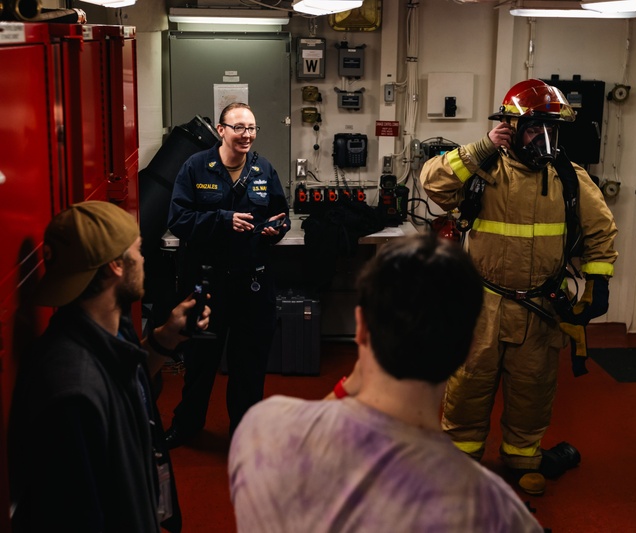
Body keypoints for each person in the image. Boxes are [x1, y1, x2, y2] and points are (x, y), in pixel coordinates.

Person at [228, 234, 543, 533]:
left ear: (361, 327)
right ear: (471, 347)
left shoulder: (260, 431)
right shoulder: (497, 512)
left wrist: (347, 386)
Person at [419, 78, 618, 496]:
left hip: (541, 309)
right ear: (510, 128)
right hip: (483, 307)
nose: (544, 140)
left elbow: (601, 229)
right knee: (469, 386)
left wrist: (597, 282)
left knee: (533, 388)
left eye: (552, 130)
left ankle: (522, 457)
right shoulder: (483, 171)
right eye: (533, 129)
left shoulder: (568, 177)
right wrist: (481, 148)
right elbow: (432, 184)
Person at [7, 200, 210, 532]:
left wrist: (166, 338)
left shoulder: (107, 328)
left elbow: (125, 386)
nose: (144, 260)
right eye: (139, 251)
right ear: (116, 265)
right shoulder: (71, 393)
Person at [165, 102, 291, 447]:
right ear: (221, 130)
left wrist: (276, 230)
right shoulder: (195, 167)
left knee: (248, 368)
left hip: (253, 285)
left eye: (251, 128)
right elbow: (178, 221)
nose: (246, 134)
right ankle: (187, 425)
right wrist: (222, 220)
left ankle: (245, 434)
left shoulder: (263, 169)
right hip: (209, 285)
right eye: (239, 127)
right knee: (200, 364)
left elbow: (282, 215)